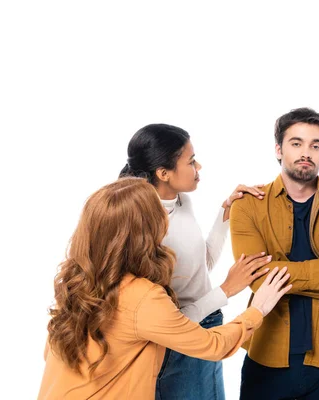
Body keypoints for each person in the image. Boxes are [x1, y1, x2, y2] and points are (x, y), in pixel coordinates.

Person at [38, 177, 292, 399]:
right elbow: (213, 345)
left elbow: (50, 354)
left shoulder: (75, 281)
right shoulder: (143, 295)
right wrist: (257, 309)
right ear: (145, 232)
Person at [230, 107, 319, 399]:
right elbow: (257, 280)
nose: (306, 152)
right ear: (279, 149)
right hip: (266, 353)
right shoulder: (247, 205)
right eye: (296, 143)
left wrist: (280, 276)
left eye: (315, 145)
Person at [120, 123, 268, 399]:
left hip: (209, 324)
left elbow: (199, 264)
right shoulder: (144, 228)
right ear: (163, 173)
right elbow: (164, 323)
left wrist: (226, 213)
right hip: (181, 342)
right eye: (190, 161)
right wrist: (226, 290)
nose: (199, 166)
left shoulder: (181, 201)